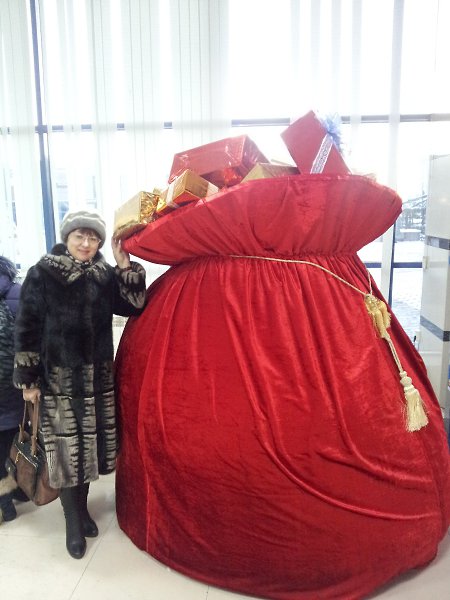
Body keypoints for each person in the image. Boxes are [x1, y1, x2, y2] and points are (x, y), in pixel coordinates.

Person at [13, 210, 146, 558]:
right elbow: (26, 327)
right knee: (66, 454)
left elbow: (133, 306)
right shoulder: (43, 273)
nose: (86, 244)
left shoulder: (103, 275)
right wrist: (28, 380)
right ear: (67, 237)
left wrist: (124, 267)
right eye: (79, 236)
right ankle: (72, 520)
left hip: (98, 379)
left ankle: (83, 510)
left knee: (89, 452)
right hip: (59, 380)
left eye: (93, 238)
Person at [0, 256, 24, 523]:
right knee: (16, 437)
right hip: (15, 382)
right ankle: (20, 487)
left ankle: (5, 504)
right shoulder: (18, 292)